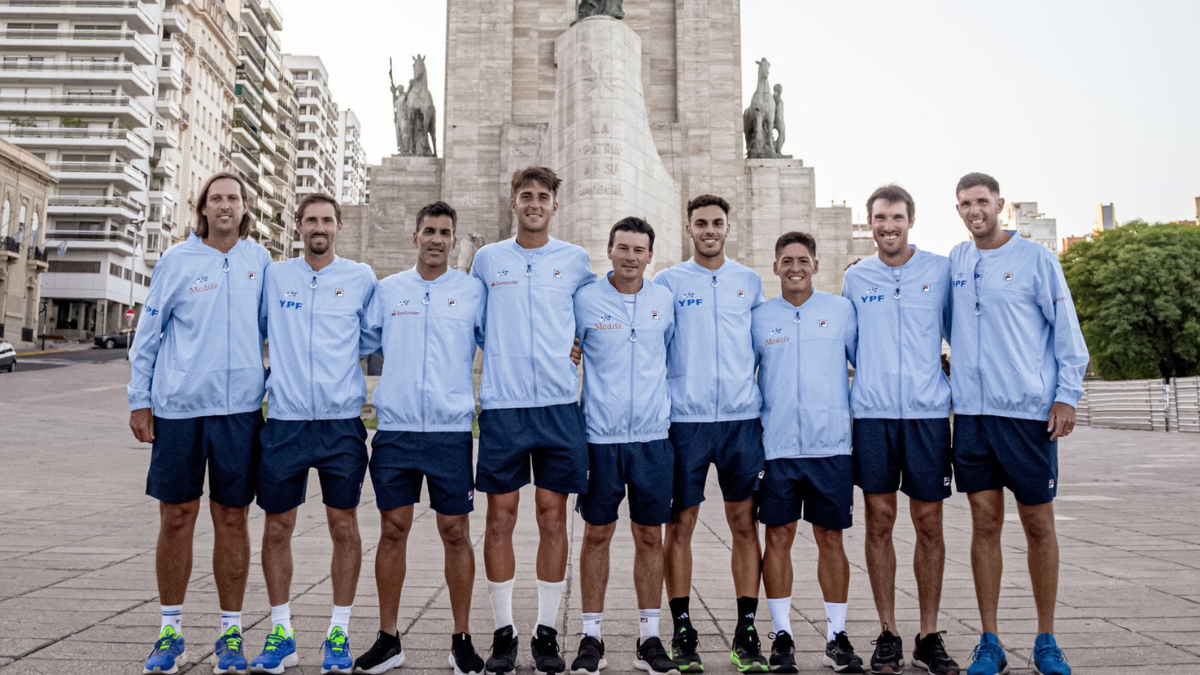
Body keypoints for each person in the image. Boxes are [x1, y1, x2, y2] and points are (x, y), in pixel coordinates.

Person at [130, 172, 272, 675]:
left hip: (240, 413)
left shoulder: (260, 262)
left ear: (245, 207)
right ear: (203, 209)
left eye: (233, 197)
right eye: (216, 199)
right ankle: (170, 633)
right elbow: (147, 334)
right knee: (176, 517)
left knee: (232, 518)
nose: (225, 205)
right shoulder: (177, 260)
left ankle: (231, 634)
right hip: (179, 410)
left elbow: (273, 330)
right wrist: (139, 400)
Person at [949, 173, 1088, 675]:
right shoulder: (958, 263)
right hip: (973, 416)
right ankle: (990, 640)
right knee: (984, 523)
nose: (973, 210)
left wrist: (1066, 396)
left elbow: (1066, 330)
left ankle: (1046, 639)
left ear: (999, 204)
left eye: (981, 202)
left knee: (1038, 524)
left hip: (1027, 414)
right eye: (964, 204)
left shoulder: (1036, 260)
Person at [351, 201, 487, 675]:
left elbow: (502, 342)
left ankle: (462, 640)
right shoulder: (388, 291)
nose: (436, 239)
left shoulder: (471, 292)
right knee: (393, 530)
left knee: (456, 533)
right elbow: (356, 343)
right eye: (428, 230)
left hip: (450, 433)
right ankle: (389, 639)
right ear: (415, 237)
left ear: (454, 240)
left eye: (445, 232)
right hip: (396, 432)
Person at [469, 167, 595, 675]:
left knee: (551, 516)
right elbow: (477, 326)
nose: (535, 203)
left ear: (555, 206)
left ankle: (545, 633)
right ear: (514, 203)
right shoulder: (487, 259)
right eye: (526, 196)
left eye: (543, 196)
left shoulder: (575, 260)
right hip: (503, 407)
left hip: (559, 408)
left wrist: (576, 345)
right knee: (500, 518)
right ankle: (504, 634)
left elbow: (593, 313)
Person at [250, 193, 377, 675]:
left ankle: (338, 633)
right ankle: (281, 632)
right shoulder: (276, 276)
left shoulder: (360, 277)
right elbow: (258, 328)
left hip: (341, 424)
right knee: (277, 526)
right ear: (297, 226)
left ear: (339, 226)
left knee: (343, 526)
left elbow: (371, 335)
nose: (318, 227)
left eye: (326, 220)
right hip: (284, 422)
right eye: (310, 220)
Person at [841, 185, 960, 675]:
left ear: (912, 220)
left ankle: (928, 636)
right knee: (879, 520)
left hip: (928, 416)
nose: (887, 226)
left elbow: (962, 335)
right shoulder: (856, 278)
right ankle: (888, 631)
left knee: (929, 523)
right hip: (872, 415)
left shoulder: (939, 271)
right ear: (869, 223)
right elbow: (849, 347)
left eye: (896, 217)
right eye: (879, 218)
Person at [653, 194, 766, 672]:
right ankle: (682, 628)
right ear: (688, 228)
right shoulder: (669, 283)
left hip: (741, 422)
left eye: (717, 222)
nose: (709, 230)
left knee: (745, 524)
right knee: (681, 526)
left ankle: (746, 629)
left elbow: (763, 347)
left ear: (727, 227)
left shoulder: (749, 282)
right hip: (687, 422)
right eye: (701, 223)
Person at [569, 218, 680, 675]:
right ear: (608, 251)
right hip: (600, 438)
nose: (630, 256)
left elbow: (669, 355)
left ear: (650, 255)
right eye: (622, 248)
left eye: (639, 249)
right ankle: (591, 636)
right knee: (597, 535)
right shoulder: (585, 299)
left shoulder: (664, 301)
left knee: (650, 536)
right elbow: (567, 347)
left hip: (653, 439)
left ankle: (650, 637)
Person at [754, 231, 863, 675]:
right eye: (786, 260)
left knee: (830, 540)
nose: (795, 267)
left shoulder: (840, 311)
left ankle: (837, 636)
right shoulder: (760, 318)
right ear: (775, 267)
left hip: (830, 447)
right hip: (777, 449)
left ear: (816, 266)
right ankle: (783, 636)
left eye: (803, 259)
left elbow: (865, 364)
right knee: (777, 538)